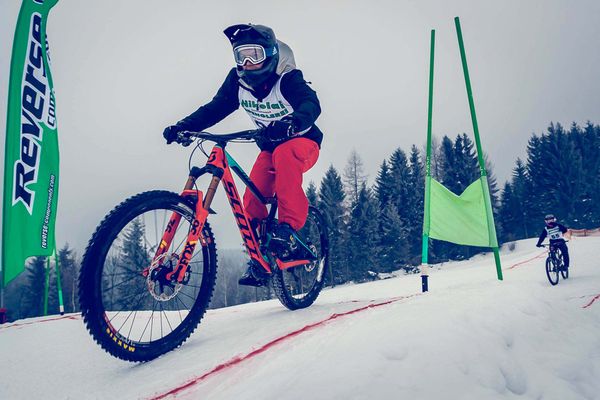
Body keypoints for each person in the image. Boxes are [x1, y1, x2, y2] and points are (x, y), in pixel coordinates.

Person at [162, 23, 323, 286]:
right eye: (241, 56)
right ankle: (260, 257)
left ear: (270, 54)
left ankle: (288, 227)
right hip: (270, 147)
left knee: (285, 154)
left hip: (303, 142)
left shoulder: (287, 78)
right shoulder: (238, 81)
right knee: (252, 199)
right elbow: (216, 108)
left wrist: (292, 122)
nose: (247, 63)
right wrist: (184, 126)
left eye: (254, 55)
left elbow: (310, 104)